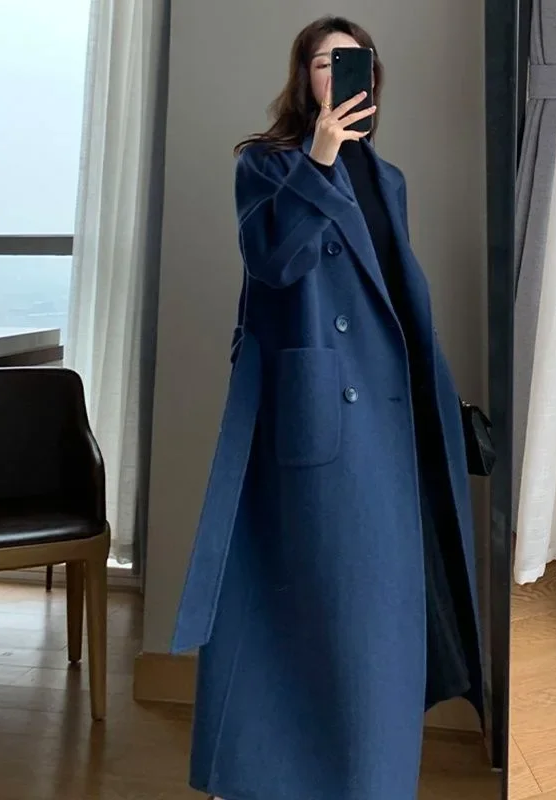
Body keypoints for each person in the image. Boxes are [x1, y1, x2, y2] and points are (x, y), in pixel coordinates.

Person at [172, 15, 484, 800]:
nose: (341, 74)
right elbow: (273, 262)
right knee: (322, 607)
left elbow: (392, 300)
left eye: (356, 62)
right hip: (323, 412)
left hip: (393, 412)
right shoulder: (266, 163)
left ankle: (373, 782)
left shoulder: (389, 178)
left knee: (379, 620)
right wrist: (317, 157)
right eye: (324, 62)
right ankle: (275, 776)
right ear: (302, 78)